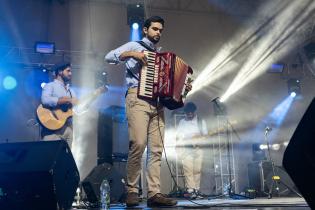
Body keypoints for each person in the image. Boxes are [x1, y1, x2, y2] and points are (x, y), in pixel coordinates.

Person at [105, 16, 183, 207]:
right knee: (138, 144)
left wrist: (182, 87)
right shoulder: (135, 44)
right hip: (137, 98)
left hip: (157, 104)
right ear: (145, 30)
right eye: (155, 29)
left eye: (160, 30)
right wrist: (133, 54)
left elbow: (168, 82)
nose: (158, 32)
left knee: (156, 149)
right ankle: (131, 190)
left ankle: (154, 193)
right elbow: (109, 57)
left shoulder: (161, 55)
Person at [41, 62, 78, 148]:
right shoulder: (50, 86)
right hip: (52, 130)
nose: (70, 73)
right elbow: (45, 100)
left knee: (66, 159)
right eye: (68, 71)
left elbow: (77, 109)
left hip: (68, 130)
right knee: (50, 159)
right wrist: (67, 99)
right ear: (60, 72)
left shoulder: (71, 91)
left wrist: (93, 96)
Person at [176, 102, 208, 199]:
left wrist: (199, 141)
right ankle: (191, 190)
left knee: (197, 170)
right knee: (188, 170)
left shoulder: (200, 121)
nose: (189, 114)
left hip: (198, 148)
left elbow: (205, 136)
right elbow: (178, 136)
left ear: (194, 111)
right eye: (187, 113)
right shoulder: (182, 122)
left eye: (191, 112)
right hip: (186, 149)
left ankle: (197, 190)